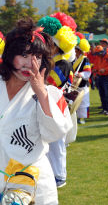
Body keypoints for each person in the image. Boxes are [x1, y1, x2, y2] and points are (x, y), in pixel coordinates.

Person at [0, 18, 72, 204]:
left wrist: (41, 92)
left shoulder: (51, 94)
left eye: (37, 57)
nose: (30, 63)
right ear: (9, 55)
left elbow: (56, 132)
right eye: (24, 55)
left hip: (32, 182)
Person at [37, 13, 78, 188]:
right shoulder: (55, 62)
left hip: (57, 106)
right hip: (52, 105)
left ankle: (59, 175)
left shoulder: (61, 64)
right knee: (50, 142)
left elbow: (51, 83)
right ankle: (52, 174)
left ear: (56, 45)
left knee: (57, 144)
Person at [73, 32, 91, 124]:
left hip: (83, 83)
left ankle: (82, 118)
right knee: (74, 100)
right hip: (73, 84)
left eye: (75, 49)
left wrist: (81, 74)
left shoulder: (85, 59)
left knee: (83, 101)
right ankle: (74, 116)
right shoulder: (72, 59)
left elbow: (88, 72)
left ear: (79, 50)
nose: (74, 51)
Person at [94, 43, 108, 116]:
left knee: (107, 93)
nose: (97, 55)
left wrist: (105, 69)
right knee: (102, 93)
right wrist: (95, 70)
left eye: (98, 54)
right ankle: (104, 109)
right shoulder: (98, 56)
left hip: (107, 76)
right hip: (100, 76)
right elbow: (97, 64)